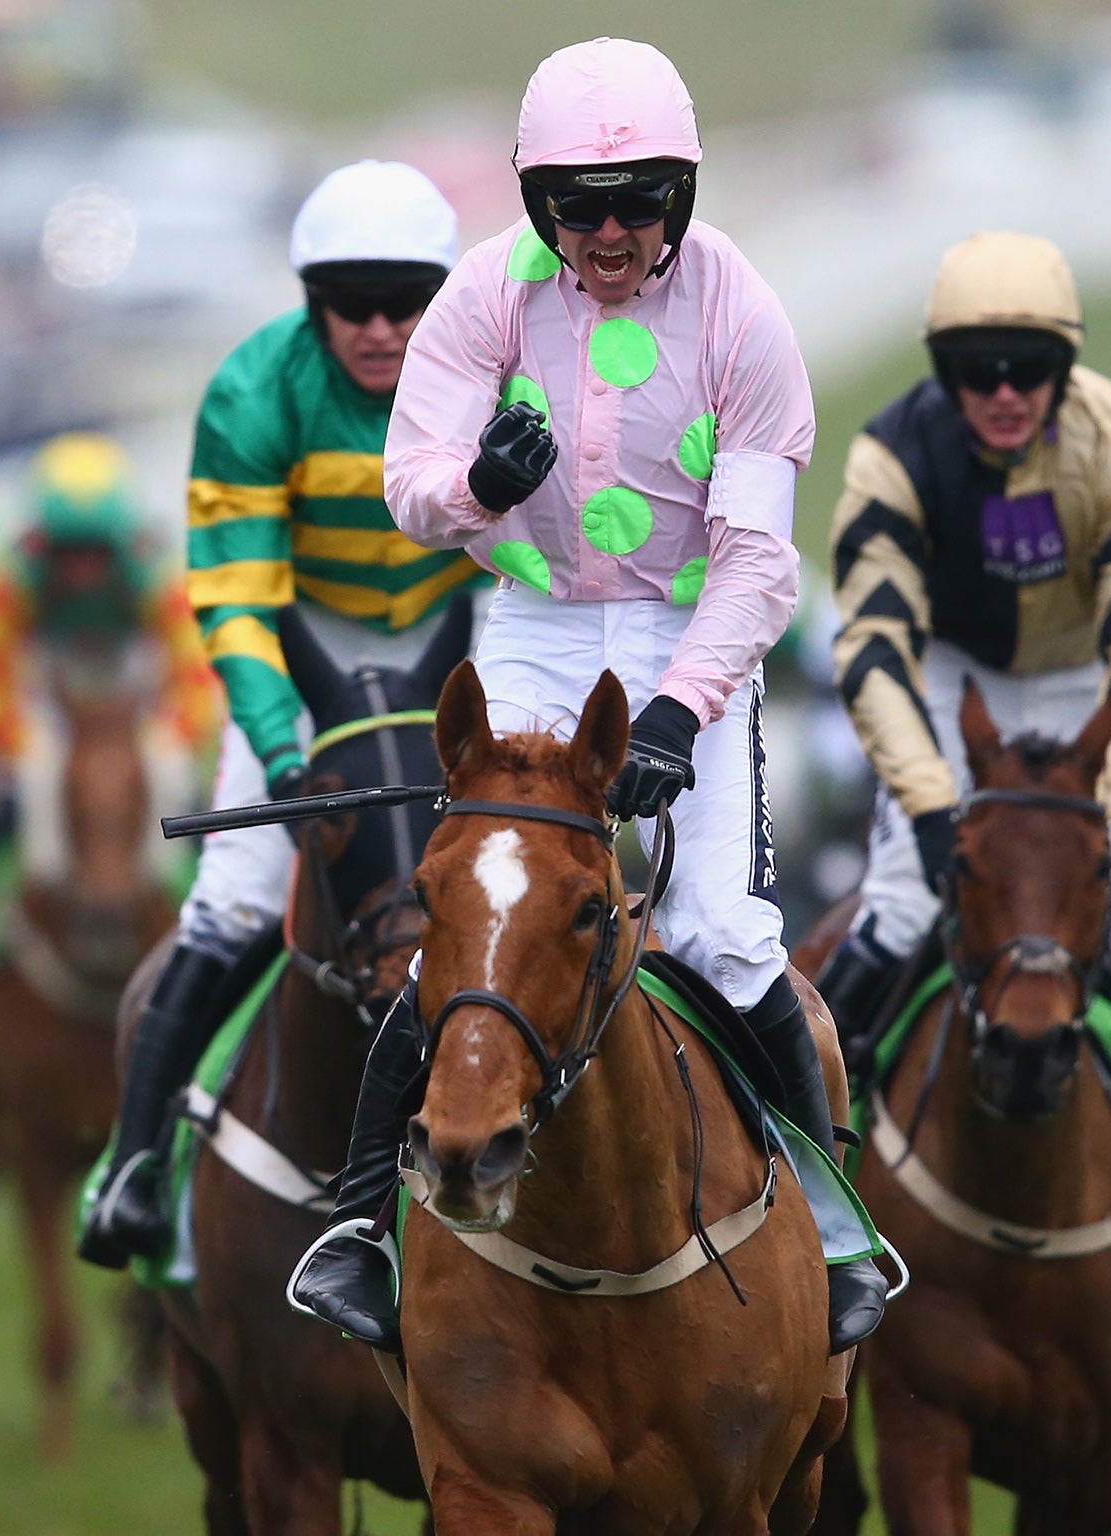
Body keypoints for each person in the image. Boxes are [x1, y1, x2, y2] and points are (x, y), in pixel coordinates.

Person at [286, 37, 889, 1355]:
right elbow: (414, 483)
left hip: (691, 628)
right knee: (469, 918)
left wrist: (678, 709)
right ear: (536, 199)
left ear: (682, 190)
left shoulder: (744, 314)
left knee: (724, 930)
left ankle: (839, 1228)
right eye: (576, 205)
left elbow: (754, 558)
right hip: (538, 626)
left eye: (637, 202)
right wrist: (481, 494)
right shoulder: (481, 298)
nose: (607, 233)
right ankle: (360, 1230)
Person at [78, 159, 486, 1268]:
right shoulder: (253, 388)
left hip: (468, 663)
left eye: (405, 303)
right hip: (302, 669)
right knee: (232, 900)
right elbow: (235, 593)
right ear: (312, 303)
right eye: (350, 304)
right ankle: (133, 1169)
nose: (378, 327)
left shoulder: (502, 375)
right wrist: (275, 748)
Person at [812, 231, 1111, 1278]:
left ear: (1063, 367)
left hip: (1091, 673)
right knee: (901, 897)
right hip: (952, 675)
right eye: (975, 369)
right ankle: (809, 1168)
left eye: (1027, 368)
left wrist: (1103, 789)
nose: (1003, 392)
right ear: (940, 372)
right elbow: (872, 650)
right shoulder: (891, 454)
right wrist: (936, 809)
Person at [0, 433, 216, 983]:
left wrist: (172, 735)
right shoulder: (7, 578)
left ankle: (225, 923)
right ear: (41, 545)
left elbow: (195, 673)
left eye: (94, 551)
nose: (80, 568)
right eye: (66, 552)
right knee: (0, 798)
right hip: (46, 707)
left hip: (136, 708)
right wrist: (17, 743)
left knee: (184, 788)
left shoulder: (158, 574)